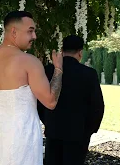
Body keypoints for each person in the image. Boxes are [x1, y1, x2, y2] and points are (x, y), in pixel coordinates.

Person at [0, 11, 63, 165]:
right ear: (14, 32)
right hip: (20, 137)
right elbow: (50, 102)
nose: (34, 36)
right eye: (30, 31)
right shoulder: (29, 61)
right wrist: (58, 69)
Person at [38, 35, 105, 165]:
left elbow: (39, 102)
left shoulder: (48, 70)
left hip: (54, 130)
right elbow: (97, 106)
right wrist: (89, 130)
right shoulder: (89, 73)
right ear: (80, 53)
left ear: (62, 50)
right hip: (78, 133)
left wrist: (47, 121)